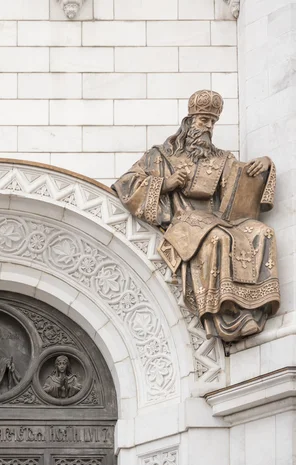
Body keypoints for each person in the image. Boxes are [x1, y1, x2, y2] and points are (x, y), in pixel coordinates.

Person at [113, 90, 280, 342]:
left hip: (220, 219)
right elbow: (126, 184)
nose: (208, 127)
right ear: (189, 121)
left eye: (212, 122)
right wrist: (165, 184)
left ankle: (252, 309)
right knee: (218, 238)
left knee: (262, 231)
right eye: (203, 121)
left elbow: (239, 187)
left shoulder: (222, 158)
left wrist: (264, 166)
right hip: (185, 222)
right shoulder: (161, 155)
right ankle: (222, 308)